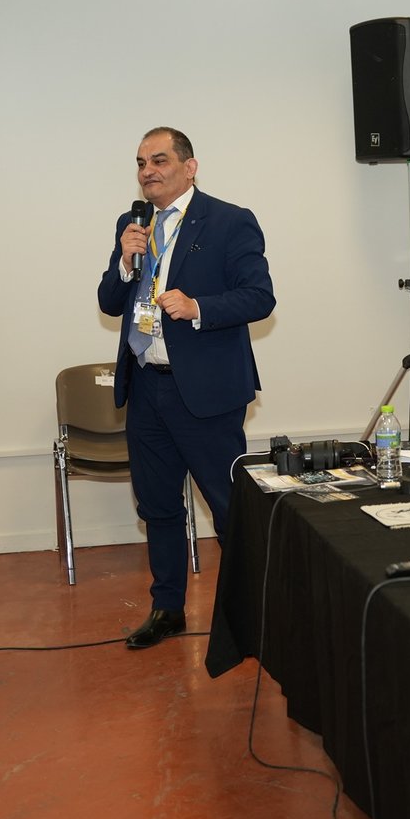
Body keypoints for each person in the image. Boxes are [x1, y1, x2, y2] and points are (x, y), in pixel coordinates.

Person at [98, 127, 275, 650]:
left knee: (227, 508)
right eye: (140, 163)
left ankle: (251, 614)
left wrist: (198, 307)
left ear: (189, 166)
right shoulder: (132, 224)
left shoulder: (229, 221)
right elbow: (110, 301)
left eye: (159, 160)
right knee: (158, 507)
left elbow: (259, 297)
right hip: (146, 386)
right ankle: (167, 608)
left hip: (205, 392)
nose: (147, 171)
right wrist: (125, 263)